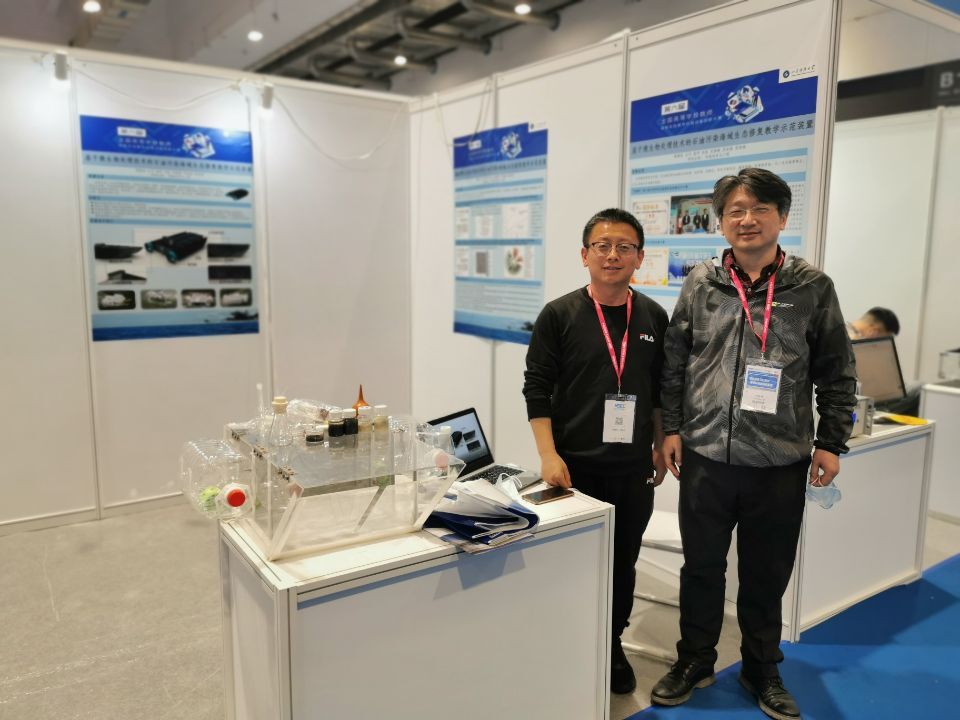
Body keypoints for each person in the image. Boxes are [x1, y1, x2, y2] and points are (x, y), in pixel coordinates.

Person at [650, 168, 857, 719]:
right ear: (721, 221)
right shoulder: (702, 282)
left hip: (779, 460)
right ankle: (695, 658)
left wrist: (830, 442)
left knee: (766, 573)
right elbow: (675, 361)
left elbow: (837, 370)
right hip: (705, 456)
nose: (747, 219)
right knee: (701, 568)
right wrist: (672, 429)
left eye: (760, 208)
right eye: (735, 210)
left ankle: (761, 668)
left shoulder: (812, 287)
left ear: (782, 218)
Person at [523, 208, 669, 695]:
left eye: (624, 247)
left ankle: (611, 644)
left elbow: (660, 390)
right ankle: (565, 643)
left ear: (639, 258)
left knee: (622, 563)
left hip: (631, 469)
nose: (612, 255)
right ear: (584, 255)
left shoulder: (653, 316)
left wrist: (659, 443)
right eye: (602, 246)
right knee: (570, 563)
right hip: (573, 468)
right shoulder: (559, 314)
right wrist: (548, 455)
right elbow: (537, 388)